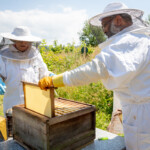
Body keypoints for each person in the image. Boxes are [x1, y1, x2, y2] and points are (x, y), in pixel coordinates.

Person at [38, 2, 150, 150]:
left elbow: (96, 69)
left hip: (142, 114)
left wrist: (56, 80)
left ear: (118, 20)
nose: (103, 30)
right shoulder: (140, 40)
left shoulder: (129, 42)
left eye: (104, 24)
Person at [0, 26, 55, 138]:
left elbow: (43, 72)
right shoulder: (3, 55)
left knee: (33, 133)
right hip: (12, 101)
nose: (23, 43)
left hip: (33, 101)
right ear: (14, 40)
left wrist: (50, 76)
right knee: (12, 135)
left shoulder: (35, 54)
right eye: (20, 40)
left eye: (26, 40)